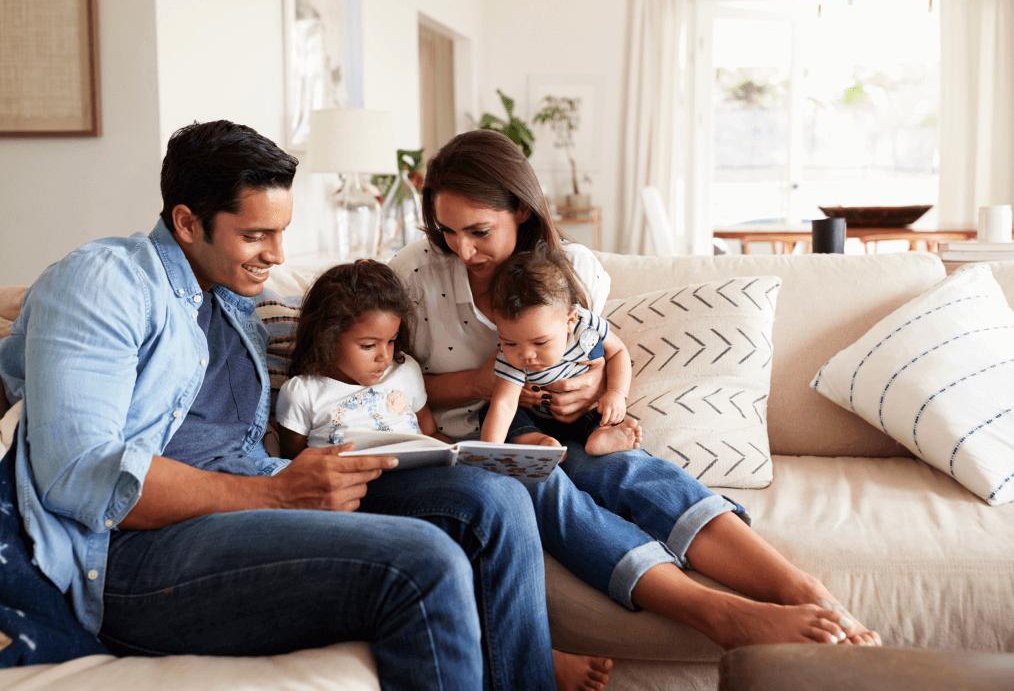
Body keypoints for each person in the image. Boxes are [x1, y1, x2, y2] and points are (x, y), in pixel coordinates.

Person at [0, 120, 613, 691]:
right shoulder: (104, 281)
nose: (277, 256)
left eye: (281, 232)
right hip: (137, 552)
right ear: (187, 223)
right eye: (256, 235)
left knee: (493, 498)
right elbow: (80, 472)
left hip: (259, 494)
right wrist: (275, 493)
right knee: (422, 565)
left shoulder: (235, 301)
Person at [390, 129, 882, 648]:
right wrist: (479, 382)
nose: (462, 249)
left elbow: (596, 352)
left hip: (563, 424)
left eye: (479, 231)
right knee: (539, 486)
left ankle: (805, 590)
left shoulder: (570, 269)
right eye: (447, 230)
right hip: (475, 442)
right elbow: (389, 388)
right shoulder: (414, 274)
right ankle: (717, 614)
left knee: (628, 469)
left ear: (522, 211)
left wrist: (592, 388)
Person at [481, 245, 641, 456]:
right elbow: (504, 404)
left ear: (570, 320)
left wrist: (616, 393)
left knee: (603, 413)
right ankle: (537, 441)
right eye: (510, 343)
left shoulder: (585, 327)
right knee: (491, 411)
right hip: (536, 418)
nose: (526, 355)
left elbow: (618, 351)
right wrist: (488, 455)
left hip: (583, 411)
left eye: (540, 343)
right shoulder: (510, 358)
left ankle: (600, 436)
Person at [275, 260, 438, 454]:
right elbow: (294, 464)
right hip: (354, 481)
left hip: (418, 474)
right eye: (368, 346)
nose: (384, 357)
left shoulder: (405, 369)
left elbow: (430, 434)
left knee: (475, 480)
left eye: (391, 341)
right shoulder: (303, 392)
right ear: (327, 338)